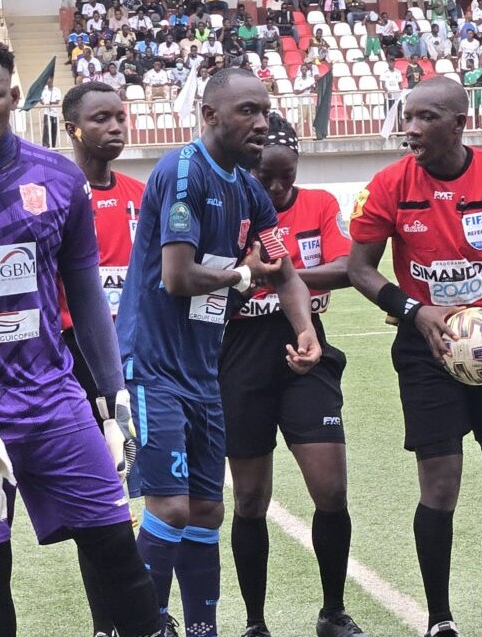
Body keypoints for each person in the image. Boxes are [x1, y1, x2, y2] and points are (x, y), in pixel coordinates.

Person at [0, 36, 161, 637]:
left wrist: (115, 395)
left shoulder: (57, 178)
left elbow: (83, 290)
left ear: (15, 97)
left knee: (117, 554)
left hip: (54, 400)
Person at [116, 68, 321, 637]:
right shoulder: (182, 171)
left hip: (204, 371)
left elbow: (281, 270)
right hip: (152, 363)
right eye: (247, 111)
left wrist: (305, 329)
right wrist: (241, 274)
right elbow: (178, 277)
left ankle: (203, 628)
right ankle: (145, 624)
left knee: (208, 510)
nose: (262, 122)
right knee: (171, 507)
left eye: (265, 110)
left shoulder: (250, 189)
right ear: (209, 115)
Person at [347, 77, 482, 637]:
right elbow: (360, 268)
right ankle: (440, 618)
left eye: (425, 117)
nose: (410, 128)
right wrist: (415, 311)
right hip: (424, 350)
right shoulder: (388, 184)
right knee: (439, 486)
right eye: (407, 116)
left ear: (459, 123)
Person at [222, 113, 365, 637]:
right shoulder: (233, 211)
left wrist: (279, 277)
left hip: (309, 353)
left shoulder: (321, 205)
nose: (279, 188)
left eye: (288, 175)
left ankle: (333, 611)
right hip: (239, 360)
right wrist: (252, 278)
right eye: (267, 178)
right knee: (250, 498)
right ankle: (256, 623)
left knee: (330, 491)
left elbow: (347, 267)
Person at [59, 80, 149, 637]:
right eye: (100, 119)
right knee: (103, 501)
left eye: (120, 116)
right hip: (77, 360)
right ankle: (105, 626)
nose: (115, 127)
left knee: (152, 497)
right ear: (74, 128)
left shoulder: (143, 193)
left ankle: (145, 616)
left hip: (138, 359)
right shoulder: (53, 192)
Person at [41, 75, 62, 148]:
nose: (48, 82)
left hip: (54, 112)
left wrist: (51, 103)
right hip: (47, 112)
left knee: (54, 129)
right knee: (46, 129)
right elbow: (41, 99)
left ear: (52, 81)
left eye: (49, 81)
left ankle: (53, 145)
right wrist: (44, 103)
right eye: (47, 81)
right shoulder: (44, 90)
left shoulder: (57, 90)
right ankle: (45, 145)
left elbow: (58, 101)